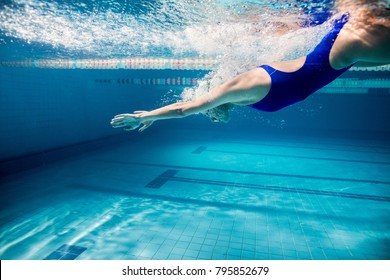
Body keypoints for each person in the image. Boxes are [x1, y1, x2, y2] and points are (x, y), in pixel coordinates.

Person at [111, 2, 390, 132]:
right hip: (347, 42)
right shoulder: (240, 85)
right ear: (215, 92)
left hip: (347, 51)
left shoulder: (256, 99)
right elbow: (185, 109)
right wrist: (148, 115)